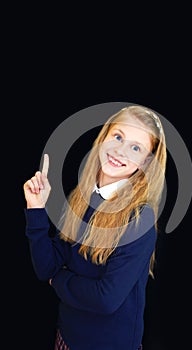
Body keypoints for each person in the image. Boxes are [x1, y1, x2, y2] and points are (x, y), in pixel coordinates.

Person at [23, 105, 167, 350]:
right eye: (118, 137)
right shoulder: (81, 198)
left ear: (146, 163)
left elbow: (105, 299)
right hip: (67, 337)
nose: (120, 151)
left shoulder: (139, 219)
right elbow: (46, 267)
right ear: (104, 137)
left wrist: (57, 280)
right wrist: (36, 209)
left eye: (135, 148)